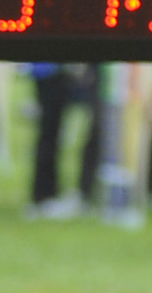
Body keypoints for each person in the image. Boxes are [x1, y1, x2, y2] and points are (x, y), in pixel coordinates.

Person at [24, 63, 108, 219]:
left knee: (95, 128)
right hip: (49, 70)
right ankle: (44, 194)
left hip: (66, 70)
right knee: (48, 131)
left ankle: (83, 193)